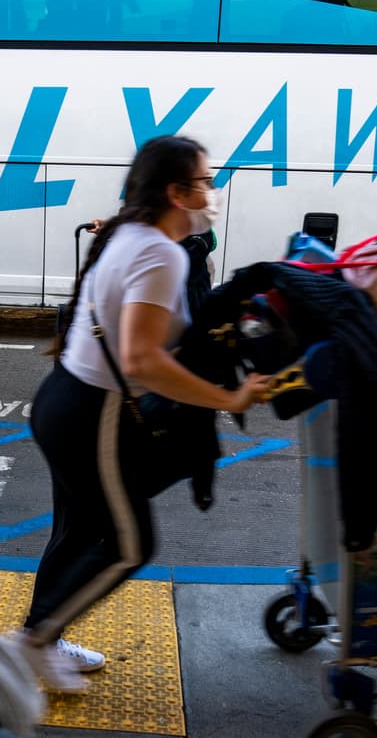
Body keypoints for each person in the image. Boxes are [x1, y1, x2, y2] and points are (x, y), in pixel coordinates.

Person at [16, 135, 271, 692]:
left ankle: (43, 636)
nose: (213, 192)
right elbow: (141, 360)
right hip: (96, 412)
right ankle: (33, 644)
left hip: (62, 398)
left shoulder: (127, 233)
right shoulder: (160, 253)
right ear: (177, 192)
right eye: (205, 182)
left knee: (77, 530)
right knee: (128, 545)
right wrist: (230, 399)